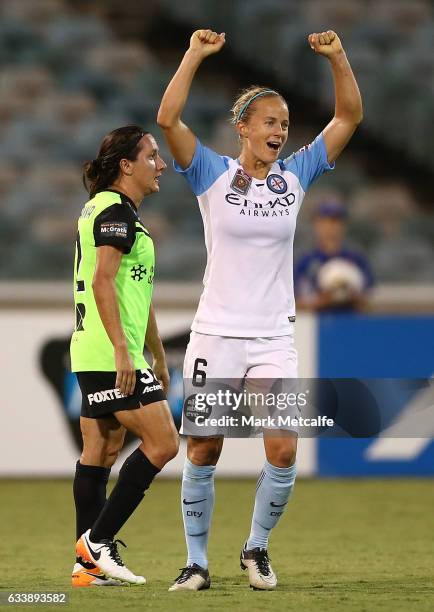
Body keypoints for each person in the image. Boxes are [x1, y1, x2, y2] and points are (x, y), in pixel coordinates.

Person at [157, 29, 362, 591]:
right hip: (216, 334)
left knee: (283, 444)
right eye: (269, 122)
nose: (280, 131)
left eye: (285, 124)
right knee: (203, 445)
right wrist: (195, 55)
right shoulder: (210, 174)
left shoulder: (295, 177)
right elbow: (168, 119)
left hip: (273, 334)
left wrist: (338, 58)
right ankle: (196, 561)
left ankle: (256, 549)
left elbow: (347, 119)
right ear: (243, 127)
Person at [70, 125, 179, 587]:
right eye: (153, 155)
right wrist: (123, 350)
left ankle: (86, 568)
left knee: (102, 448)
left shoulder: (106, 209)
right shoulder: (114, 211)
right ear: (126, 166)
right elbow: (101, 282)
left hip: (94, 349)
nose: (162, 164)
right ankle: (96, 543)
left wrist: (157, 353)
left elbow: (134, 292)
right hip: (108, 352)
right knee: (164, 444)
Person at [295, 200, 374, 311]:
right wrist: (322, 300)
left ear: (344, 226)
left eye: (337, 222)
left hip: (352, 321)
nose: (331, 227)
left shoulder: (357, 259)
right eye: (325, 221)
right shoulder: (305, 262)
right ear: (316, 224)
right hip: (316, 324)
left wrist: (352, 295)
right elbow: (295, 303)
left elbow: (369, 301)